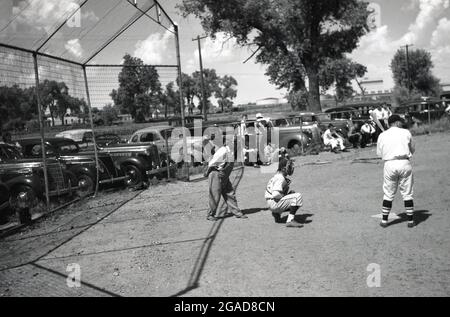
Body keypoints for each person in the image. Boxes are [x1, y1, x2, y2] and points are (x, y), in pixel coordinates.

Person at [377, 115, 416, 228]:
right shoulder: (406, 132)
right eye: (400, 121)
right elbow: (412, 149)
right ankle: (410, 221)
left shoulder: (382, 135)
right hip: (404, 162)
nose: (401, 123)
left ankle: (384, 221)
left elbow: (379, 154)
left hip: (389, 164)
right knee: (407, 193)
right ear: (396, 122)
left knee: (388, 193)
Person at [204, 135, 248, 221]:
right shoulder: (223, 151)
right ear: (229, 143)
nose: (236, 144)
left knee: (230, 193)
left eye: (237, 142)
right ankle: (210, 214)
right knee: (215, 195)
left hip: (224, 175)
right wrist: (207, 172)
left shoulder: (232, 151)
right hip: (216, 173)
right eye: (234, 142)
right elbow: (212, 163)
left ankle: (237, 212)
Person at [265, 157, 304, 228]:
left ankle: (276, 213)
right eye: (289, 166)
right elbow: (276, 194)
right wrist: (283, 197)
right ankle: (290, 221)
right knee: (297, 196)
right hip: (274, 203)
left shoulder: (276, 176)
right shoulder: (280, 178)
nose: (291, 168)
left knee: (291, 193)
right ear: (283, 169)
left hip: (270, 203)